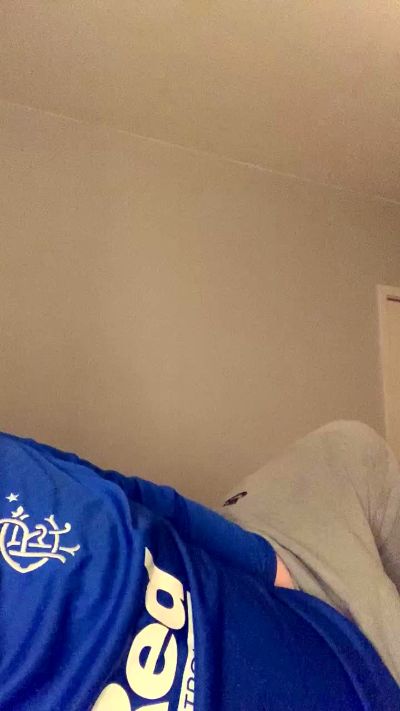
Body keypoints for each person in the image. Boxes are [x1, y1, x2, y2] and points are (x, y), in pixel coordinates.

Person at [0, 422, 398, 710]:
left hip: (289, 600)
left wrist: (258, 559)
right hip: (362, 685)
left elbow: (120, 489)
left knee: (348, 447)